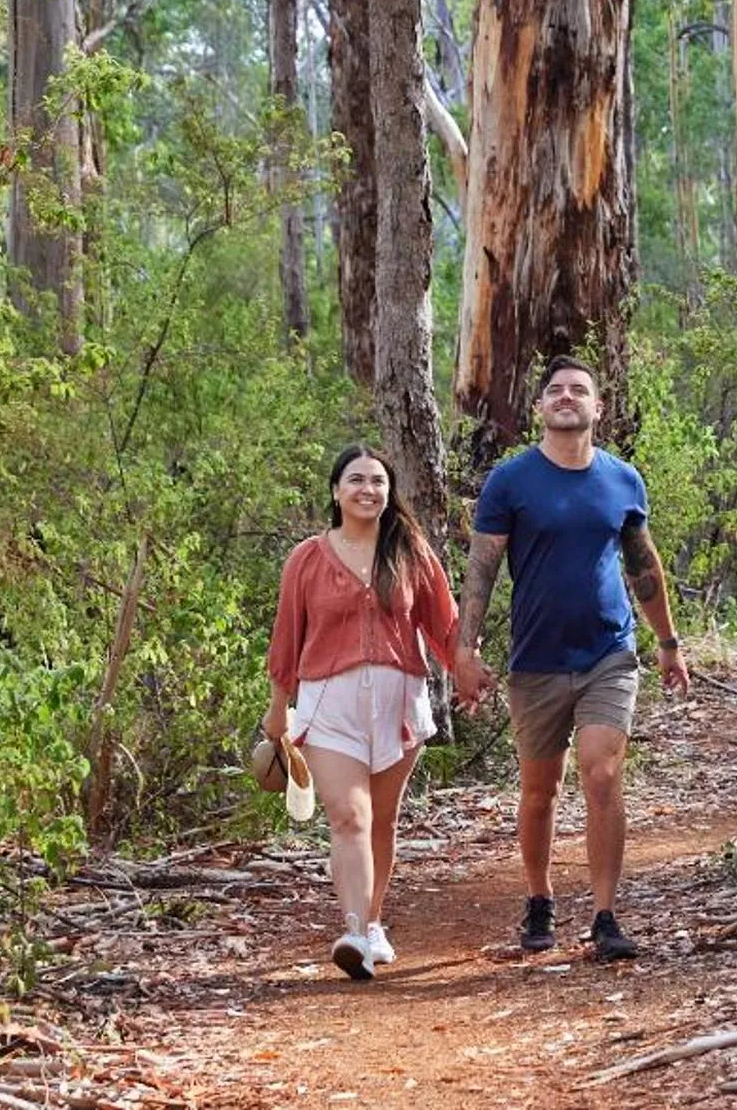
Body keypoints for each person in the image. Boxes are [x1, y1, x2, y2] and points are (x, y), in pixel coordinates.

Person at [455, 356, 690, 961]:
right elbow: (481, 571)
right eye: (555, 391)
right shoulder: (511, 481)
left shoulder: (621, 480)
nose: (566, 397)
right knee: (540, 791)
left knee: (602, 772)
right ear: (539, 408)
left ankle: (607, 915)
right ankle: (539, 898)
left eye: (578, 390)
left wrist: (667, 643)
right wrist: (465, 649)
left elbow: (643, 566)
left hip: (609, 652)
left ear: (597, 407)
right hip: (536, 659)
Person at [265, 445, 467, 981]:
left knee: (382, 818)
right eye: (356, 480)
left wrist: (468, 672)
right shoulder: (307, 558)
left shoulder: (409, 552)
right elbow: (287, 638)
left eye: (378, 482)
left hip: (399, 702)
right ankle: (354, 930)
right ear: (336, 491)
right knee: (349, 816)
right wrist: (277, 710)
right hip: (329, 703)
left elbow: (443, 624)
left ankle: (374, 922)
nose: (368, 490)